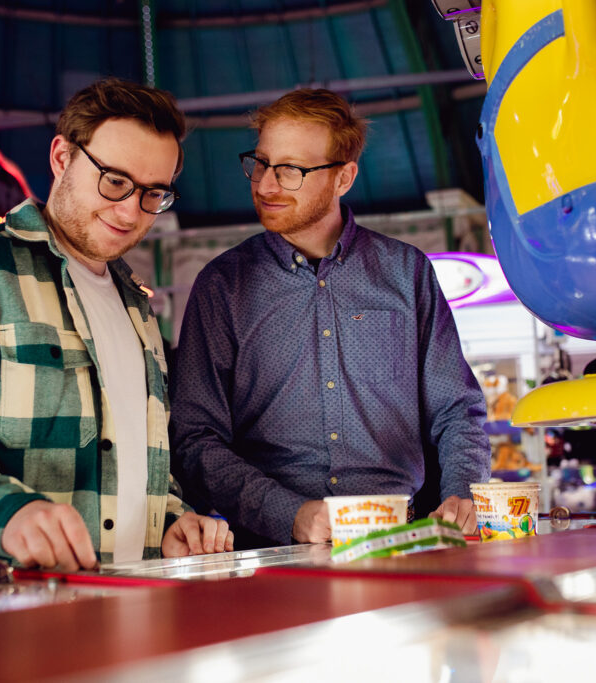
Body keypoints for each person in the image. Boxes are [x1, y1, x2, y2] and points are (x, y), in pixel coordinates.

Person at [0, 78, 233, 585]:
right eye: (115, 181)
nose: (130, 211)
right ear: (62, 157)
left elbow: (129, 465)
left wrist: (167, 522)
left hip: (119, 616)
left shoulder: (138, 309)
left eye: (153, 194)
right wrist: (7, 513)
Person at [169, 88, 491, 548]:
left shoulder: (407, 271)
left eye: (291, 170)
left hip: (404, 538)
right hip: (270, 548)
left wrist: (463, 492)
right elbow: (195, 438)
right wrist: (289, 515)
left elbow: (456, 409)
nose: (265, 185)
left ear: (344, 178)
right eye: (260, 163)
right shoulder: (222, 286)